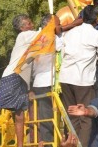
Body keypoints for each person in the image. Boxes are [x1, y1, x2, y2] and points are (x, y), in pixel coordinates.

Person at [0, 14, 37, 147]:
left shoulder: (30, 38)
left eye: (31, 22)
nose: (31, 25)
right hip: (11, 76)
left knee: (20, 114)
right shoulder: (24, 36)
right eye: (28, 23)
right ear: (22, 28)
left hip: (22, 80)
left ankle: (20, 145)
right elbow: (43, 34)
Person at [59, 5, 98, 147]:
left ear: (81, 17)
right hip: (83, 81)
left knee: (72, 116)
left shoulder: (70, 33)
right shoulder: (96, 35)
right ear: (96, 19)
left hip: (65, 78)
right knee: (85, 117)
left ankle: (72, 143)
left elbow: (62, 54)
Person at [29, 14, 62, 144]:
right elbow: (61, 46)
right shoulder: (51, 38)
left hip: (40, 82)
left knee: (46, 116)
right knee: (48, 117)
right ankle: (50, 143)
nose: (60, 27)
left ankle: (51, 142)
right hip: (47, 82)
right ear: (50, 25)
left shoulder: (35, 38)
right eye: (58, 24)